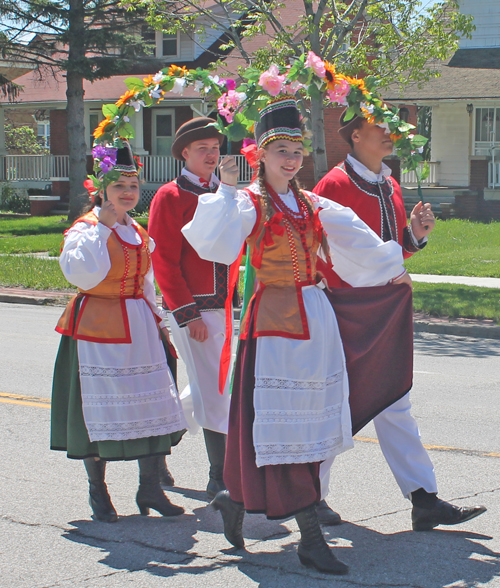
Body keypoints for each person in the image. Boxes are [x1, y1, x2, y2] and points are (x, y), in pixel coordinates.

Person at [181, 98, 414, 575]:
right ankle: (309, 537)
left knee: (306, 426)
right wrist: (225, 190)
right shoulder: (249, 202)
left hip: (315, 316)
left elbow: (355, 239)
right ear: (260, 156)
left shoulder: (311, 203)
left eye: (296, 150)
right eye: (280, 149)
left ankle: (235, 500)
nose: (290, 159)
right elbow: (214, 244)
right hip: (274, 325)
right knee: (283, 426)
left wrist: (393, 268)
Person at [313, 110, 487, 532]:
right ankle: (309, 496)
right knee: (339, 402)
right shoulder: (333, 185)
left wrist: (415, 236)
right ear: (356, 135)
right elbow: (323, 251)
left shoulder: (388, 183)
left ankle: (423, 498)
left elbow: (389, 250)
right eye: (381, 129)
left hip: (387, 305)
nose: (390, 135)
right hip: (349, 308)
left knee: (394, 399)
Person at [51, 142, 187, 522]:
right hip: (99, 327)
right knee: (99, 408)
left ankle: (150, 489)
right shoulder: (86, 230)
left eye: (132, 185)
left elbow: (146, 282)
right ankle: (99, 492)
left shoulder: (138, 231)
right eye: (118, 187)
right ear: (101, 190)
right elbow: (84, 275)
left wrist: (158, 321)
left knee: (151, 402)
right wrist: (104, 228)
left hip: (140, 324)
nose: (127, 193)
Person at [148, 118, 236, 500]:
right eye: (203, 148)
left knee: (202, 390)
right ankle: (220, 477)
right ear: (185, 153)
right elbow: (163, 260)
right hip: (194, 311)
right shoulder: (170, 195)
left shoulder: (224, 192)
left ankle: (153, 457)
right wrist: (187, 313)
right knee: (215, 390)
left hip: (223, 308)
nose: (212, 155)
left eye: (215, 148)